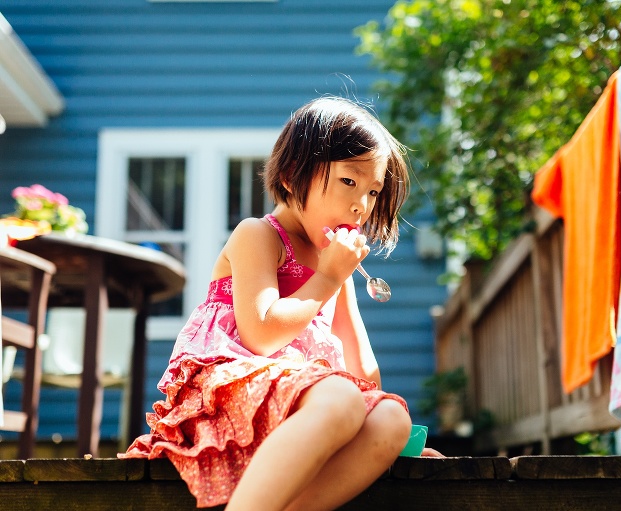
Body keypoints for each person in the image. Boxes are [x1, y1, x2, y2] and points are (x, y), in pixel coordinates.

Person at [120, 96, 441, 511]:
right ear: (291, 176)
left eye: (373, 191)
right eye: (349, 181)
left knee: (391, 417)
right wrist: (327, 277)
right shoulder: (259, 235)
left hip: (306, 404)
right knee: (342, 398)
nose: (361, 205)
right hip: (230, 396)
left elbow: (363, 370)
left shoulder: (334, 270)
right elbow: (261, 334)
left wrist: (391, 439)